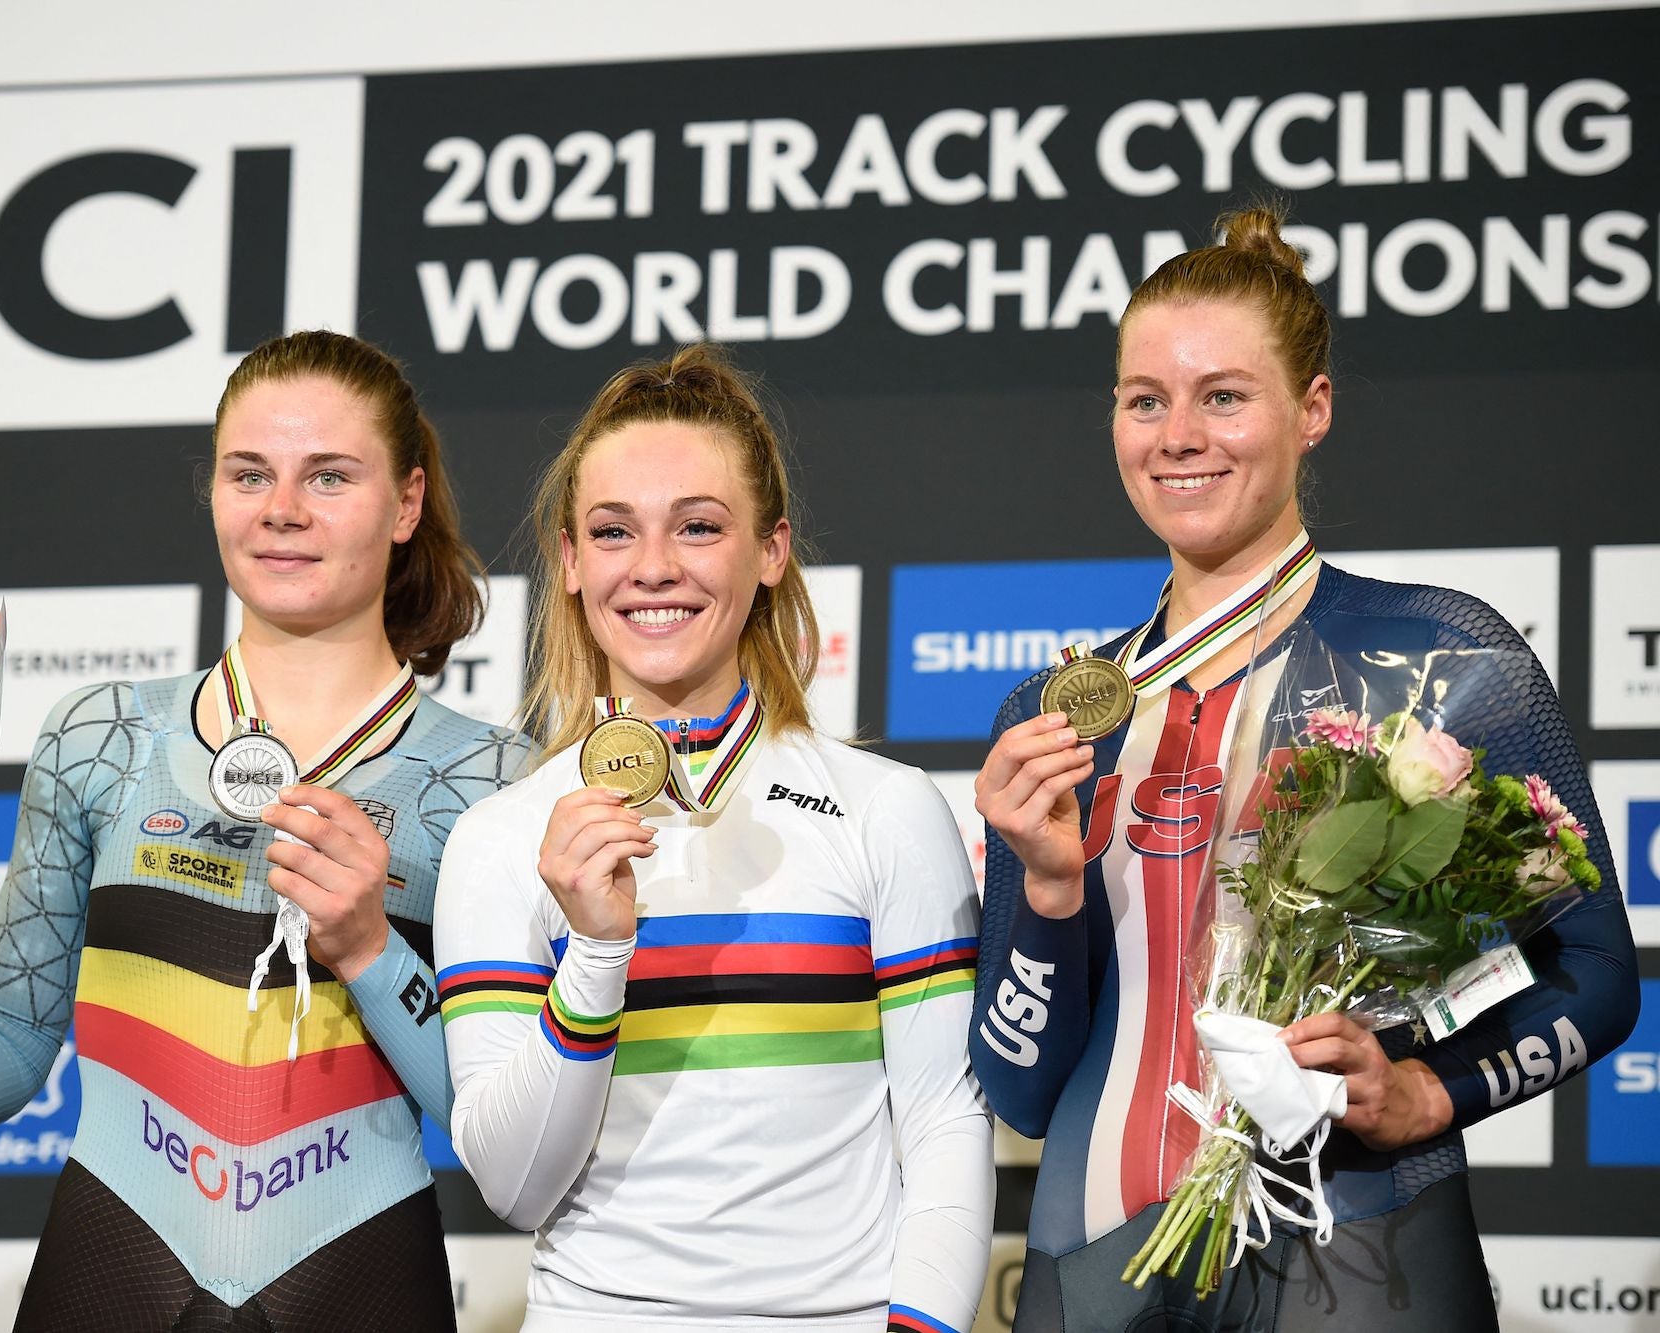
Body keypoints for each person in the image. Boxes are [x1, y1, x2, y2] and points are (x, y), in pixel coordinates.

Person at [0, 330, 532, 1331]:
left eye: (329, 476)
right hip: (113, 1261)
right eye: (250, 473)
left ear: (405, 502)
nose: (282, 508)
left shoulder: (489, 779)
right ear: (212, 490)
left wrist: (371, 951)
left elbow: (497, 1113)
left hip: (358, 1268)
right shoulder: (101, 736)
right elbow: (8, 1036)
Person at [967, 205, 1640, 1331]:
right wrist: (1043, 889)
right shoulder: (1048, 720)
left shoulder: (1443, 661)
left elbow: (1597, 972)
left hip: (1359, 1248)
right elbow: (1022, 1088)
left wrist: (1433, 1088)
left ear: (1310, 409)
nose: (1176, 433)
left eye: (1221, 395)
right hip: (1091, 1261)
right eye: (1144, 400)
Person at [433, 344, 993, 1333]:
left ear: (769, 550)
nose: (654, 567)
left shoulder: (885, 808)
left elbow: (946, 1126)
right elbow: (514, 1186)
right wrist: (596, 953)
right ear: (567, 562)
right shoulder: (500, 839)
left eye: (697, 526)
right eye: (613, 531)